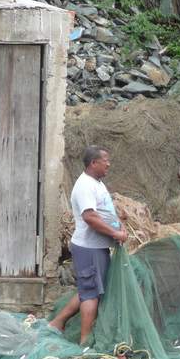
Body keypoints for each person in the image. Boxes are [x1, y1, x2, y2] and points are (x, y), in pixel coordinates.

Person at [50, 146, 128, 345]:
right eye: (105, 160)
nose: (109, 164)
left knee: (89, 289)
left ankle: (57, 323)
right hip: (88, 248)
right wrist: (115, 233)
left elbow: (103, 212)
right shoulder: (85, 185)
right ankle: (85, 341)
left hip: (97, 248)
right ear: (93, 163)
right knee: (91, 294)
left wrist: (120, 226)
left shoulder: (97, 183)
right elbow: (90, 217)